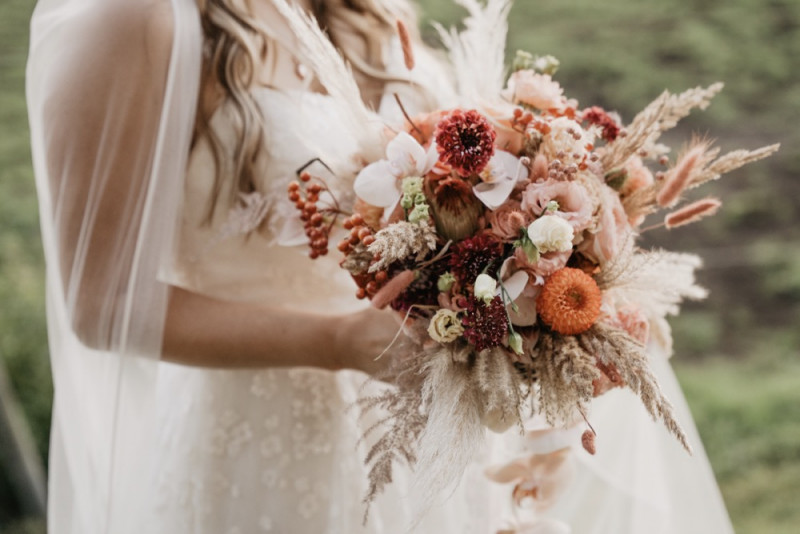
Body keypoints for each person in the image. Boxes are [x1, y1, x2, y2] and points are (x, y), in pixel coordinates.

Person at [26, 0, 735, 533]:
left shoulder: (364, 8)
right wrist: (337, 342)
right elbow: (101, 303)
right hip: (253, 442)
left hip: (432, 443)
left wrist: (542, 302)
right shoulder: (130, 18)